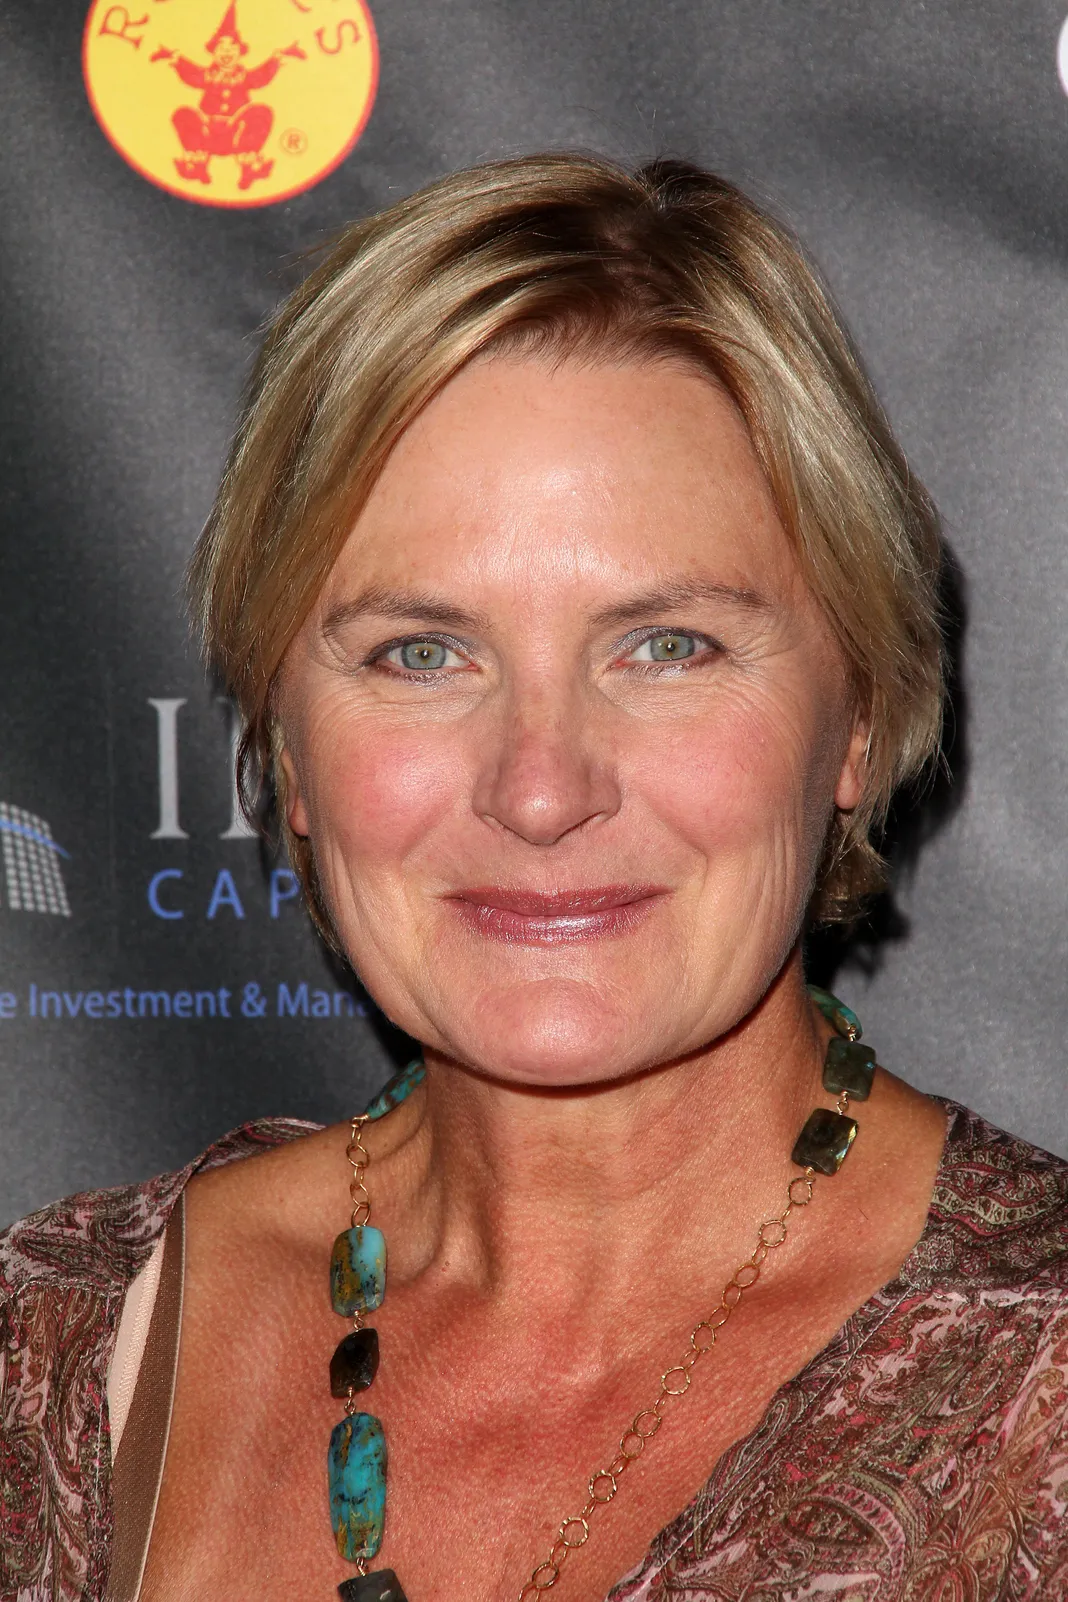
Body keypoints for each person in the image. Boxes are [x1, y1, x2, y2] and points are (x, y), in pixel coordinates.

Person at [3, 153, 1067, 1602]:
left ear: (861, 718)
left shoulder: (1037, 1369)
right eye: (421, 653)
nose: (542, 788)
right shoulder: (60, 1341)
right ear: (288, 749)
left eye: (667, 646)